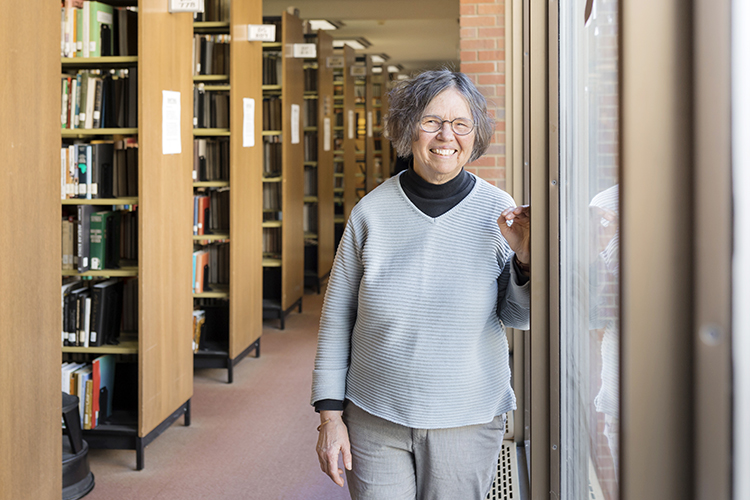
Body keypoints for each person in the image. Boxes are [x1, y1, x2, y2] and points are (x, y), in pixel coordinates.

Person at [311, 69, 531, 500]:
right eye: (431, 121)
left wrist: (525, 258)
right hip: (375, 417)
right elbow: (336, 320)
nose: (446, 135)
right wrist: (330, 417)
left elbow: (518, 318)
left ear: (475, 133)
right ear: (408, 127)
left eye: (460, 124)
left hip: (466, 417)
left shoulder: (499, 212)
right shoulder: (369, 213)